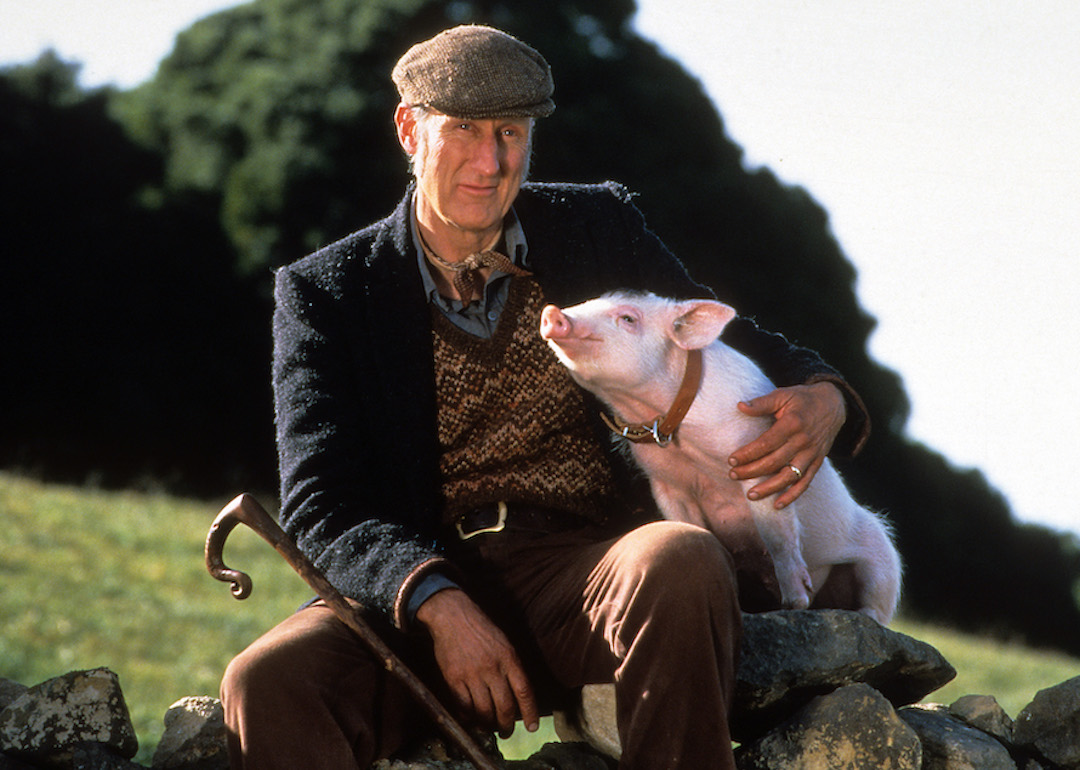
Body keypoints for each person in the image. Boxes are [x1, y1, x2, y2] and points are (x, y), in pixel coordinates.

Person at [221, 24, 869, 770]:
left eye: (510, 132)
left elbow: (711, 329)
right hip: (424, 585)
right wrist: (435, 599)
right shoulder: (327, 292)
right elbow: (321, 503)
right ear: (409, 128)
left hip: (592, 568)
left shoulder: (595, 223)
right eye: (463, 128)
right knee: (265, 680)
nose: (490, 161)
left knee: (681, 557)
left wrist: (825, 392)